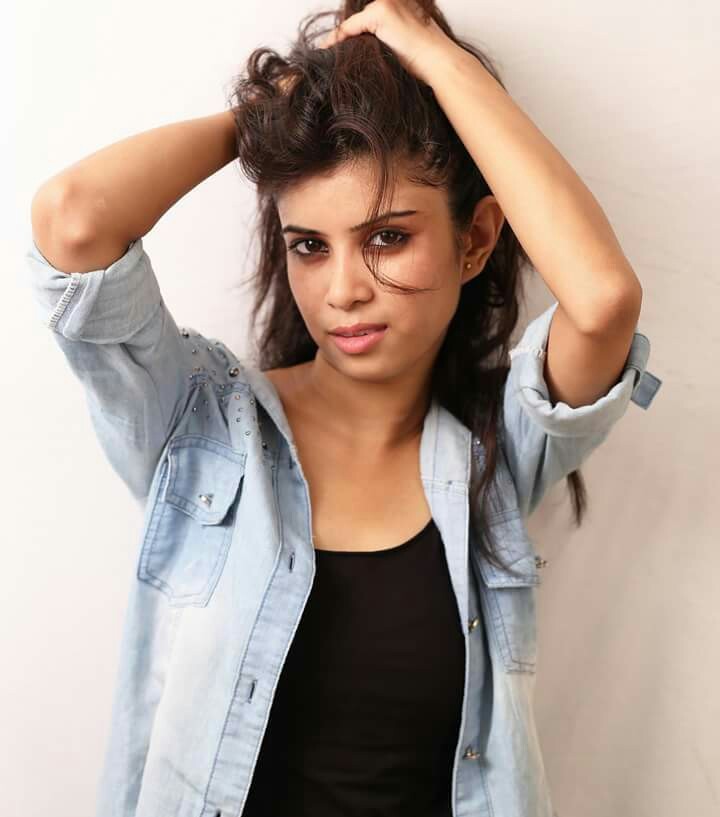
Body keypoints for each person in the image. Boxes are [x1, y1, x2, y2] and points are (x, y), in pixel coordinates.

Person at [24, 2, 662, 816]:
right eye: (310, 246)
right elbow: (73, 221)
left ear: (473, 241)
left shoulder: (497, 453)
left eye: (387, 237)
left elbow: (604, 301)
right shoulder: (202, 425)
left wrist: (433, 58)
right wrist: (265, 120)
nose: (343, 290)